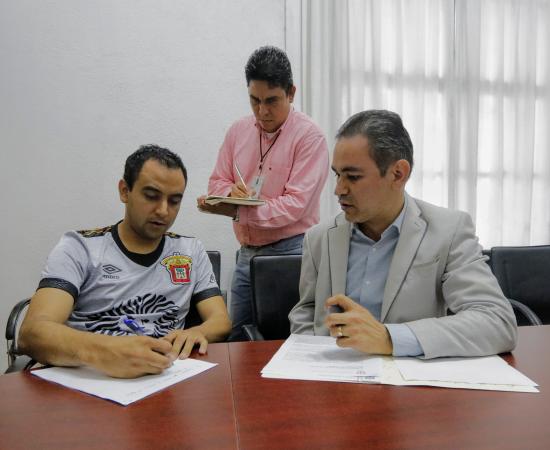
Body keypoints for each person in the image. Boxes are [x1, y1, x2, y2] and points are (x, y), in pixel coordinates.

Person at [289, 110, 517, 358]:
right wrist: (310, 360)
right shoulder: (319, 238)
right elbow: (307, 312)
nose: (339, 189)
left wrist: (389, 339)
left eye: (353, 177)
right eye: (337, 174)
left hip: (410, 374)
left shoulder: (448, 231)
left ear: (398, 174)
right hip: (334, 373)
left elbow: (497, 321)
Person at [19, 145, 231, 378]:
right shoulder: (80, 248)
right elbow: (32, 333)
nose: (163, 210)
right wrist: (105, 352)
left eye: (174, 201)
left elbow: (220, 320)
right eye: (151, 196)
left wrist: (198, 332)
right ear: (124, 191)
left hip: (164, 376)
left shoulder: (190, 251)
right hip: (89, 377)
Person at [197, 46, 329, 341]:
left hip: (292, 254)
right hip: (246, 253)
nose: (262, 111)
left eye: (271, 101)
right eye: (254, 100)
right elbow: (217, 182)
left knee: (285, 341)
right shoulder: (237, 131)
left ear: (291, 93)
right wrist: (229, 193)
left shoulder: (310, 137)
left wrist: (239, 209)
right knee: (236, 339)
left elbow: (295, 205)